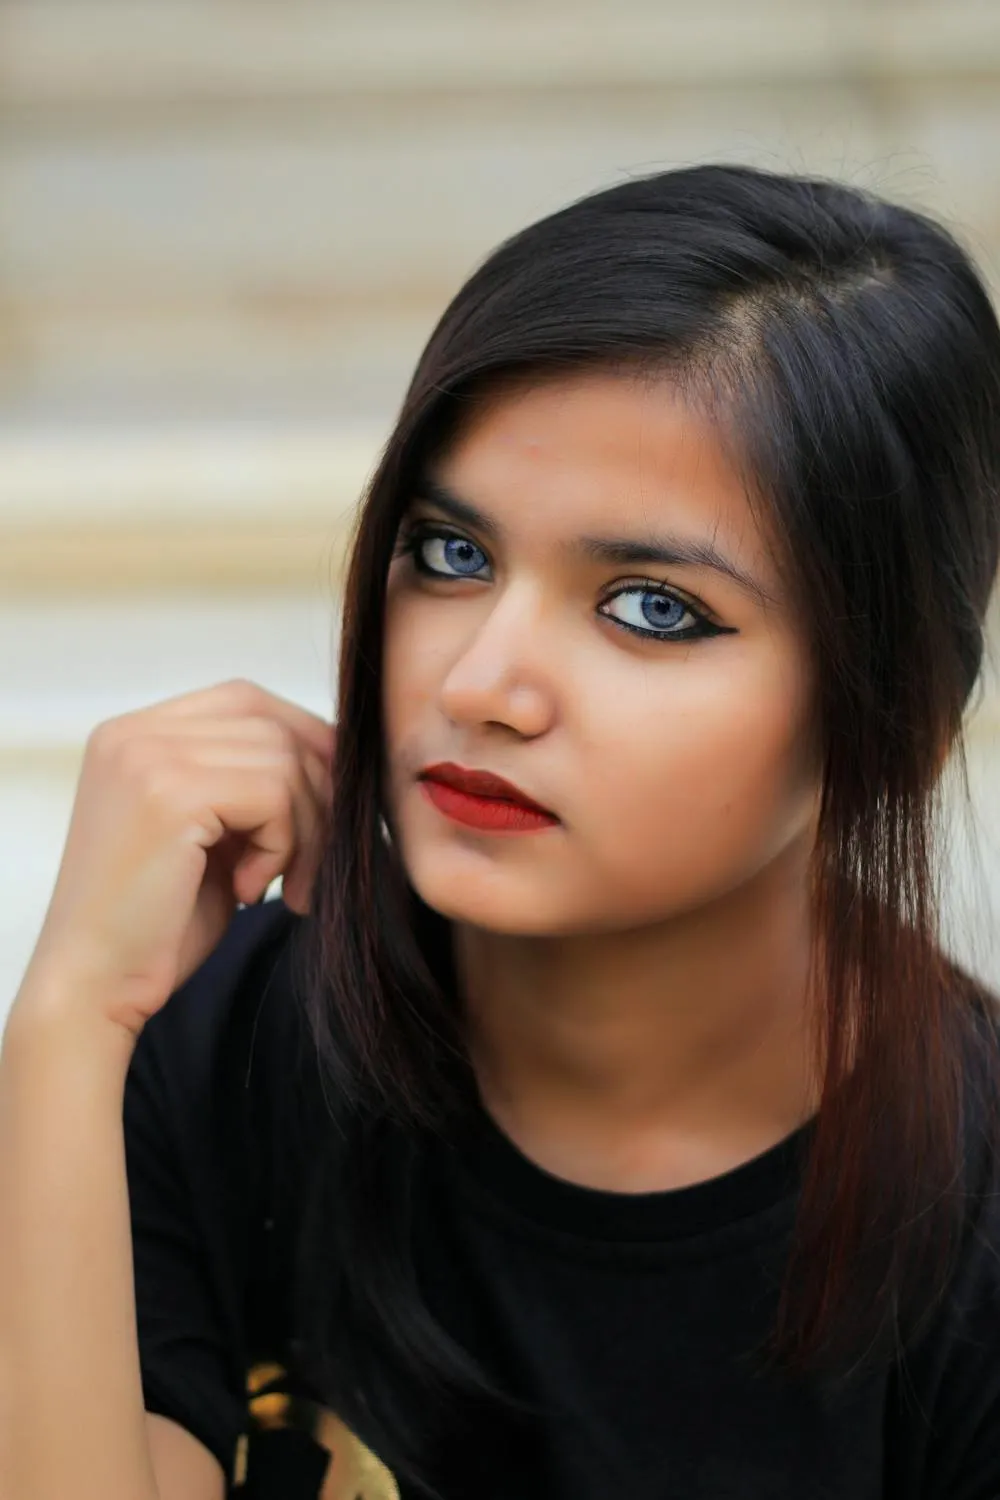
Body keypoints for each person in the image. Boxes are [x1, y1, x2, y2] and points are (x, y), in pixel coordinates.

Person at [2, 162, 1000, 1500]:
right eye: (452, 554)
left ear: (899, 717)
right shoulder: (226, 1045)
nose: (477, 684)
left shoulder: (970, 1225)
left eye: (652, 608)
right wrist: (68, 1019)